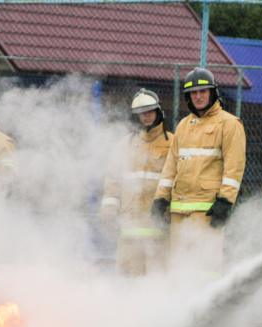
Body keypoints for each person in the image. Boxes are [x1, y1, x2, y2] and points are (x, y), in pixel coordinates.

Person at [151, 67, 246, 277]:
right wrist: (160, 199)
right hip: (179, 212)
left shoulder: (229, 124)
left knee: (204, 271)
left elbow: (234, 165)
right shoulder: (184, 125)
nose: (198, 96)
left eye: (203, 91)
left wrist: (226, 201)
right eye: (193, 92)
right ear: (188, 96)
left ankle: (207, 310)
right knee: (178, 270)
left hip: (208, 212)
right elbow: (171, 166)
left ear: (213, 93)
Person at [100, 89, 173, 276]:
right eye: (142, 112)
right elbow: (113, 183)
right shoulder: (124, 144)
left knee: (156, 283)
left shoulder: (172, 143)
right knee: (128, 283)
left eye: (149, 110)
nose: (146, 116)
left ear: (158, 111)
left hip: (159, 231)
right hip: (129, 230)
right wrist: (109, 213)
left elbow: (179, 183)